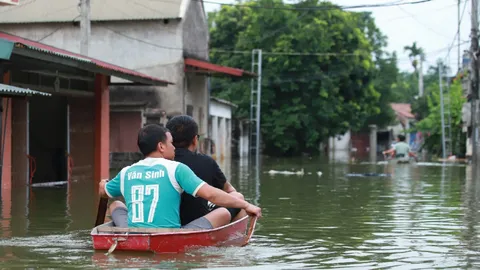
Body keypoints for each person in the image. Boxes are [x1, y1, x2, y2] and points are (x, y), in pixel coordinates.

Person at [98, 124, 261, 229]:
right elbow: (211, 194)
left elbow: (103, 192)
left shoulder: (126, 172)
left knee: (116, 204)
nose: (174, 147)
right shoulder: (176, 169)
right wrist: (246, 205)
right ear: (161, 146)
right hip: (171, 236)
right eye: (171, 143)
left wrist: (103, 184)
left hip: (134, 234)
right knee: (222, 213)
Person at [166, 115, 247, 227]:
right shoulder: (206, 162)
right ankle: (235, 238)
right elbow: (230, 191)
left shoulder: (157, 163)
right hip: (199, 223)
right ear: (195, 140)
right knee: (238, 198)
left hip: (165, 224)